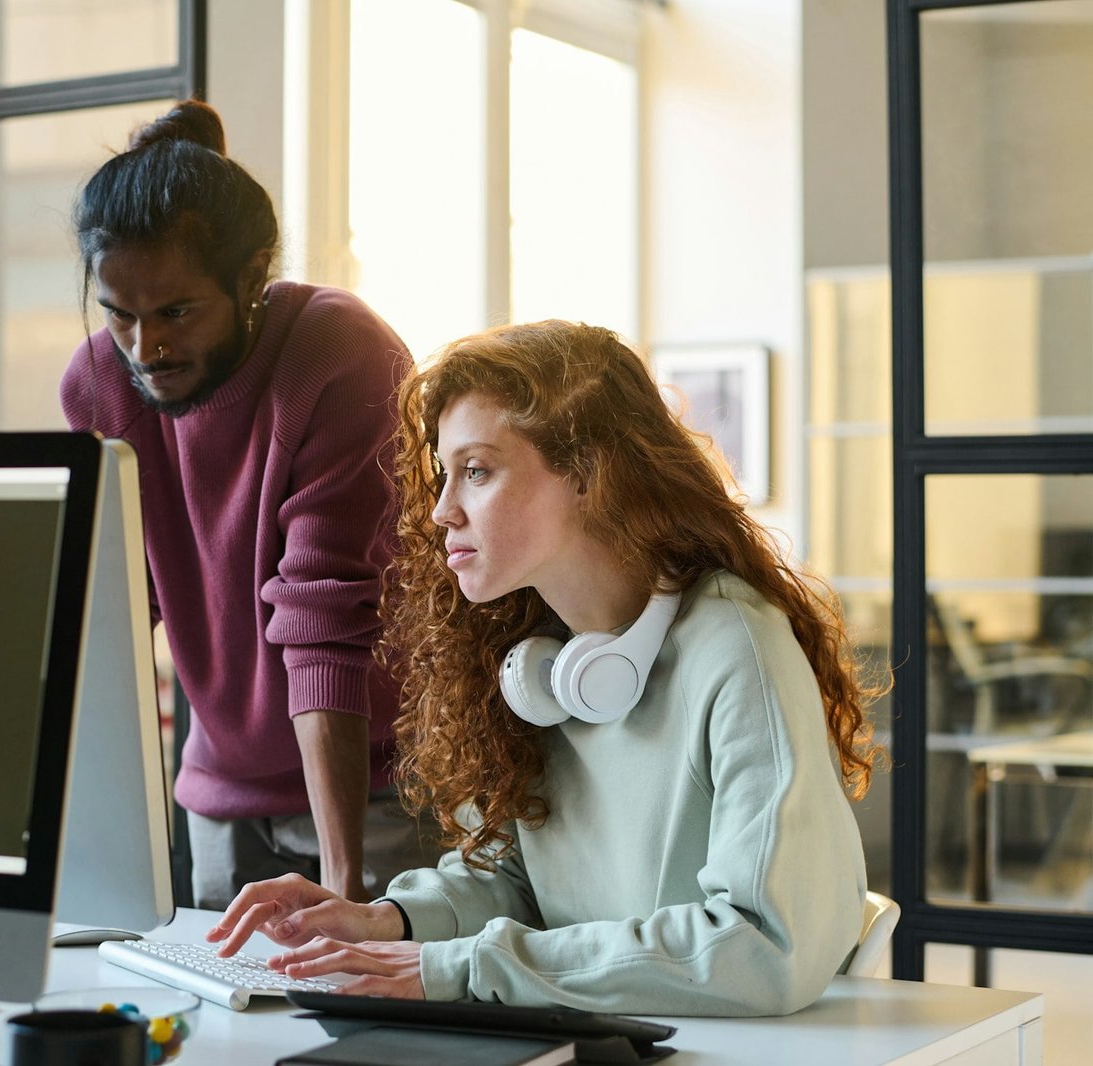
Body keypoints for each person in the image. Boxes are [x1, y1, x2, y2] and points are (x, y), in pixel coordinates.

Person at [207, 319, 882, 1015]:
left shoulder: (736, 646)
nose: (442, 511)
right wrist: (386, 921)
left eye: (476, 470)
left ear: (588, 474)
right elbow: (511, 881)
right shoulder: (534, 660)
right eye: (445, 474)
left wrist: (459, 967)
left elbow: (763, 945)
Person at [60, 99, 436, 910]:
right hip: (220, 797)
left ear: (252, 274)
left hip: (374, 790)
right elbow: (125, 608)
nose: (145, 348)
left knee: (371, 1024)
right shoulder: (97, 384)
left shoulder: (337, 353)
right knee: (217, 1025)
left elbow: (325, 617)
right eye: (118, 314)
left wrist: (344, 888)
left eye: (176, 313)